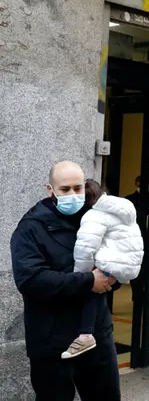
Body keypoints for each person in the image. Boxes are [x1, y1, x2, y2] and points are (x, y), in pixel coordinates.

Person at [10, 161, 121, 400]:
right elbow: (31, 280)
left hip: (97, 335)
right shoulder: (30, 228)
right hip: (52, 340)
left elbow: (115, 261)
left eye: (78, 188)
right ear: (50, 190)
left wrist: (113, 276)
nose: (73, 194)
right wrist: (88, 281)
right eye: (65, 189)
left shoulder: (96, 220)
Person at [63, 180, 144, 359]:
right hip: (128, 262)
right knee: (99, 292)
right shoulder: (122, 206)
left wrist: (82, 277)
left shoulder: (94, 216)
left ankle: (86, 335)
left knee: (92, 291)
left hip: (111, 261)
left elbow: (86, 249)